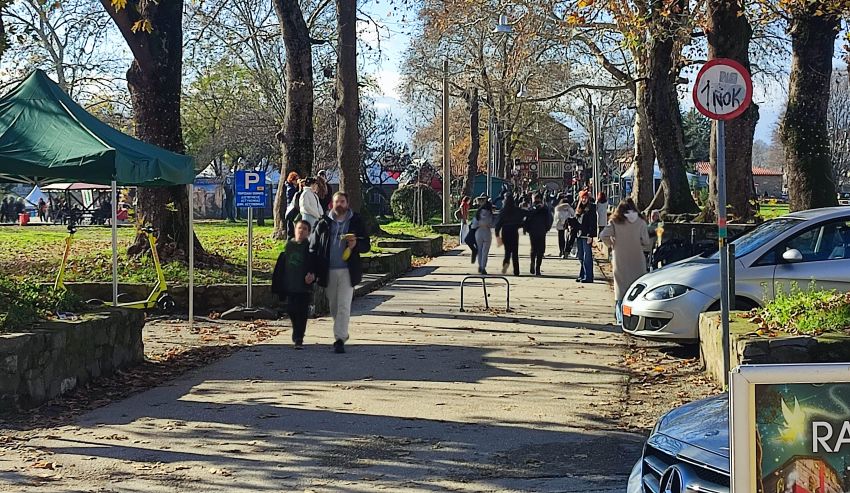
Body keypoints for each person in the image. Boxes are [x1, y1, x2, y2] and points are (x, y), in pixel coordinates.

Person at [310, 191, 371, 354]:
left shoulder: (356, 221)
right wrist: (311, 270)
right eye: (337, 202)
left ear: (347, 204)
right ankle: (341, 331)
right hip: (328, 270)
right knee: (334, 305)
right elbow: (313, 247)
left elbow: (366, 245)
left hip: (347, 271)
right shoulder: (323, 222)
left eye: (342, 201)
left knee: (344, 304)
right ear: (332, 203)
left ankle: (340, 338)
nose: (339, 204)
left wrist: (355, 245)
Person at [600, 198, 652, 324]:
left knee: (620, 291)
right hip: (637, 259)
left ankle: (621, 319)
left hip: (620, 258)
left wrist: (612, 244)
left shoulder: (615, 221)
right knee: (636, 289)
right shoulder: (641, 222)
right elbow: (646, 242)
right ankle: (633, 319)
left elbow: (603, 235)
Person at [272, 220, 317, 349]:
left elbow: (316, 265)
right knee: (291, 310)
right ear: (295, 229)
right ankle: (296, 331)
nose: (301, 231)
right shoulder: (288, 247)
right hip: (290, 286)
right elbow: (281, 267)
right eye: (299, 228)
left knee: (302, 312)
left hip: (304, 288)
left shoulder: (310, 248)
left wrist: (313, 275)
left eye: (304, 229)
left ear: (309, 232)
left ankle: (298, 337)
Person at [494, 195, 525, 276]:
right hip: (514, 231)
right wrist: (522, 225)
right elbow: (526, 214)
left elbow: (498, 224)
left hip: (505, 231)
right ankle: (516, 271)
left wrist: (497, 234)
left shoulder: (503, 211)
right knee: (515, 252)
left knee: (507, 251)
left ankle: (505, 264)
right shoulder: (517, 210)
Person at [524, 193, 553, 276]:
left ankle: (533, 263)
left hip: (533, 231)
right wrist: (547, 228)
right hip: (541, 231)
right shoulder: (545, 209)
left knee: (533, 249)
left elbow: (526, 219)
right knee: (540, 250)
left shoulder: (531, 208)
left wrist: (527, 229)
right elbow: (549, 220)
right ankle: (537, 269)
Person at [575, 190, 598, 283]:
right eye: (582, 198)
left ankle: (588, 276)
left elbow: (593, 222)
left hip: (586, 235)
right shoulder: (579, 208)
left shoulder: (591, 208)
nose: (584, 199)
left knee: (587, 256)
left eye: (585, 198)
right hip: (579, 234)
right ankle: (582, 274)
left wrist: (590, 235)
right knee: (580, 256)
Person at [474, 200, 494, 274]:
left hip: (478, 232)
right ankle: (483, 267)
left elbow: (474, 225)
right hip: (487, 233)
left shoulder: (478, 213)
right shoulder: (490, 214)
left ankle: (480, 265)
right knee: (485, 251)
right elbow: (491, 224)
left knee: (479, 250)